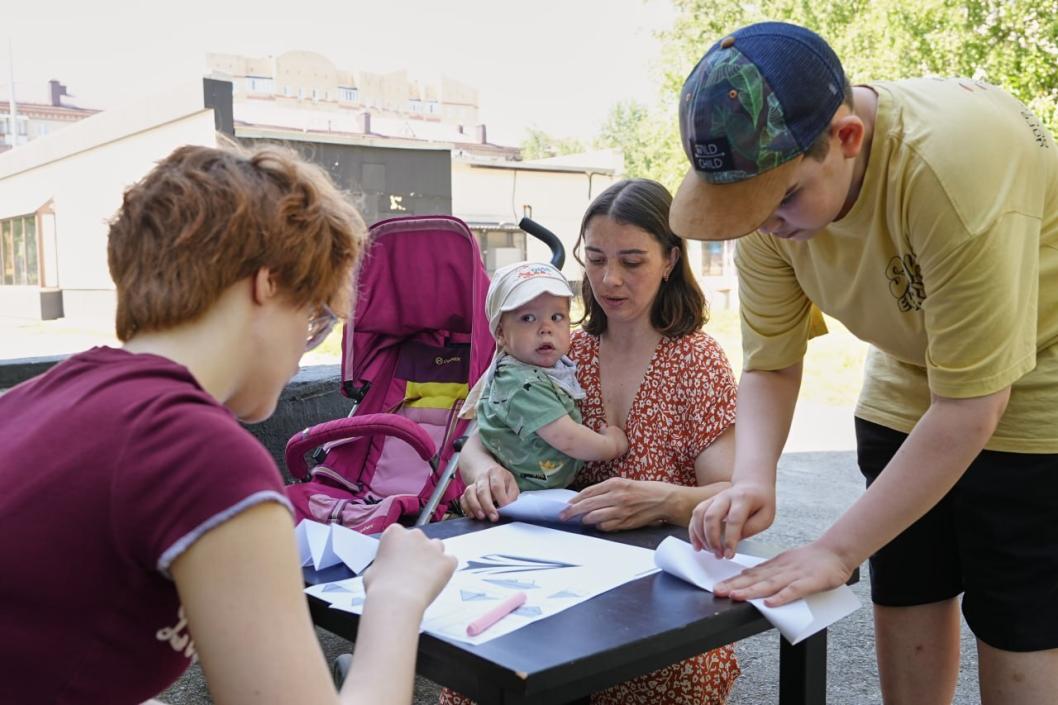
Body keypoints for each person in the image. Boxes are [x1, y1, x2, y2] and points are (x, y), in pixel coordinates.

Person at [671, 21, 1058, 705]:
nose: (766, 224)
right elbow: (770, 361)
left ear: (847, 139)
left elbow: (973, 403)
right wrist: (754, 478)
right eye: (746, 207)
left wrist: (835, 549)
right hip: (911, 374)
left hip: (1037, 376)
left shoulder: (951, 165)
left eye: (781, 200)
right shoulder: (768, 198)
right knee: (909, 582)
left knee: (1018, 614)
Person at [0, 144, 457, 705]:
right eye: (315, 315)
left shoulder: (36, 399)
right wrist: (395, 598)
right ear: (266, 284)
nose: (302, 348)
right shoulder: (198, 453)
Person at [447, 178, 741, 705]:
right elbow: (478, 440)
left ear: (671, 259)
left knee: (668, 681)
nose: (609, 279)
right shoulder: (554, 349)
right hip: (548, 574)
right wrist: (483, 472)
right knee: (488, 675)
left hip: (657, 591)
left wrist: (662, 501)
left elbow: (733, 494)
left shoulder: (699, 361)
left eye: (632, 261)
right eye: (596, 258)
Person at [465, 260, 628, 492]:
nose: (545, 328)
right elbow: (567, 438)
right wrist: (610, 445)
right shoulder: (519, 382)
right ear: (500, 333)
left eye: (557, 317)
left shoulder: (546, 365)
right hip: (526, 495)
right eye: (528, 318)